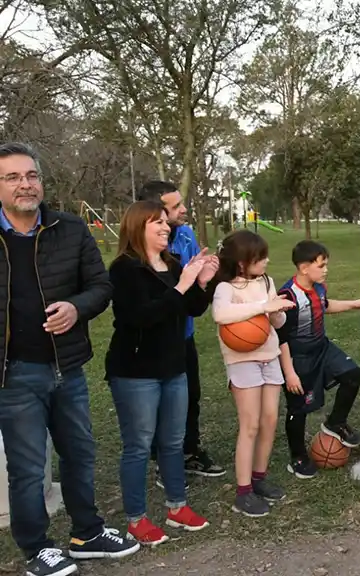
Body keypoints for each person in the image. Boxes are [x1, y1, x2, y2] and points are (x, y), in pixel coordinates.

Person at [0, 141, 140, 576]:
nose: (25, 184)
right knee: (27, 469)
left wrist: (77, 307)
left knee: (79, 453)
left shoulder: (70, 228)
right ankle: (37, 547)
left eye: (31, 175)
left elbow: (101, 286)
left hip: (67, 367)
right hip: (14, 376)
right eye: (13, 177)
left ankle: (86, 533)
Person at [105, 200, 216, 545]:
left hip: (173, 365)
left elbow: (191, 310)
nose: (167, 228)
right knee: (138, 445)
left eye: (166, 224)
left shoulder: (172, 263)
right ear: (138, 227)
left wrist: (202, 283)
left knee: (172, 441)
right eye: (158, 223)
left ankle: (177, 507)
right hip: (136, 372)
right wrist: (182, 285)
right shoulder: (124, 269)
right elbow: (140, 317)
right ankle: (136, 519)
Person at [138, 180, 225, 478]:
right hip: (152, 343)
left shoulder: (186, 236)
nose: (184, 209)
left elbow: (193, 301)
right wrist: (186, 283)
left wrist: (204, 280)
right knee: (161, 403)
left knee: (191, 395)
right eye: (175, 207)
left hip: (183, 335)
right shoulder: (138, 254)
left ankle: (189, 451)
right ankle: (164, 459)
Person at [210, 230, 295, 517]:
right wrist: (263, 306)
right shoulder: (225, 288)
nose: (266, 261)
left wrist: (278, 311)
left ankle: (259, 478)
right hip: (242, 360)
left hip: (269, 356)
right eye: (260, 258)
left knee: (269, 419)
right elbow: (221, 315)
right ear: (242, 262)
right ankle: (243, 492)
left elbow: (276, 320)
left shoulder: (266, 281)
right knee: (250, 424)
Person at [277, 240, 360, 479]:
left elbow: (323, 306)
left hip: (322, 348)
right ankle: (297, 457)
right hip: (298, 357)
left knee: (352, 373)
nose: (326, 269)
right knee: (299, 408)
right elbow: (280, 337)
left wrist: (354, 304)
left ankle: (336, 422)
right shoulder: (287, 295)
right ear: (304, 268)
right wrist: (290, 373)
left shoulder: (318, 287)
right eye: (322, 265)